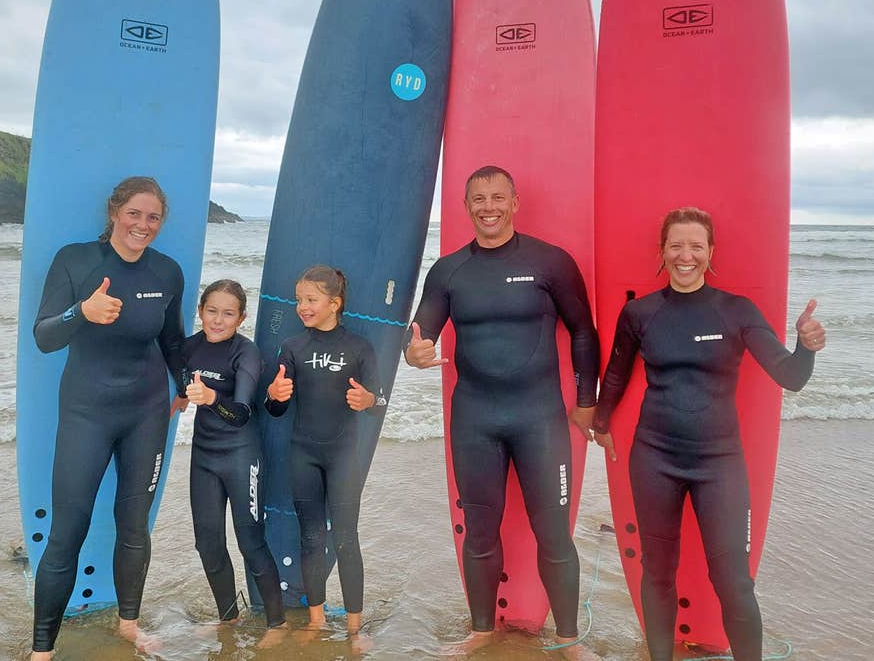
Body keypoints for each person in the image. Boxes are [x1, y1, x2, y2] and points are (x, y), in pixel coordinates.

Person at [571, 207, 826, 661]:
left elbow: (790, 377)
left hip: (719, 463)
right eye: (675, 245)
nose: (685, 256)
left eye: (695, 246)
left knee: (733, 580)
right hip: (654, 459)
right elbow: (616, 375)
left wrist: (804, 348)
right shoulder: (640, 313)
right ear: (662, 252)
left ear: (711, 253)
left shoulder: (735, 311)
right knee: (658, 573)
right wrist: (600, 423)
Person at [405, 165, 599, 655]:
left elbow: (583, 331)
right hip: (475, 419)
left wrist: (587, 402)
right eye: (478, 198)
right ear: (466, 206)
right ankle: (481, 630)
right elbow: (420, 334)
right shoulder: (448, 270)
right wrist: (415, 354)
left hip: (540, 420)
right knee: (480, 529)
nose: (488, 206)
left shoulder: (550, 262)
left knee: (553, 532)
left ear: (515, 202)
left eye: (497, 197)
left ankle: (570, 638)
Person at [29, 176, 189, 659]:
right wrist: (83, 311)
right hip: (87, 413)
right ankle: (41, 650)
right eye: (135, 214)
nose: (143, 225)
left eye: (153, 217)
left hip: (146, 413)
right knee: (67, 532)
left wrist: (187, 384)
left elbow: (174, 341)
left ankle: (128, 624)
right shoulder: (75, 260)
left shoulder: (167, 272)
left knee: (134, 523)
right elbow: (44, 336)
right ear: (114, 212)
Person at [264, 265, 381, 642]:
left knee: (346, 537)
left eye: (310, 300)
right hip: (304, 453)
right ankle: (316, 619)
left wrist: (367, 399)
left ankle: (354, 626)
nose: (302, 306)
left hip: (343, 454)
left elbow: (379, 403)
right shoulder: (294, 347)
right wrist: (274, 396)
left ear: (335, 303)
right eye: (299, 300)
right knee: (311, 538)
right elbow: (277, 409)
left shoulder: (360, 347)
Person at [178, 279, 288, 645]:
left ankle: (277, 625)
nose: (218, 320)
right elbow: (175, 386)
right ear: (200, 311)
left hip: (242, 455)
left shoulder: (246, 353)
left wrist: (210, 398)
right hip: (204, 456)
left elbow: (241, 412)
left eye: (228, 313)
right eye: (211, 311)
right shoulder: (190, 347)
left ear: (241, 317)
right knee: (207, 543)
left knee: (250, 543)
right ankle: (228, 617)